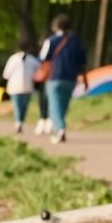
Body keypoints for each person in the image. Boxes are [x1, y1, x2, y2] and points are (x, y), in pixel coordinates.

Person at [41, 14, 89, 144]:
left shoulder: (51, 40)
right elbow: (83, 63)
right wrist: (85, 80)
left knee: (55, 104)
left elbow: (43, 58)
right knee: (63, 105)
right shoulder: (77, 41)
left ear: (56, 26)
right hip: (71, 78)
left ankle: (60, 129)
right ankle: (59, 126)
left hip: (54, 77)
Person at [2, 39, 41, 134]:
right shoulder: (33, 60)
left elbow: (6, 74)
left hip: (15, 87)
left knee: (17, 106)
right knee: (24, 106)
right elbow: (38, 73)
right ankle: (20, 122)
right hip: (28, 87)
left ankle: (18, 123)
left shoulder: (13, 59)